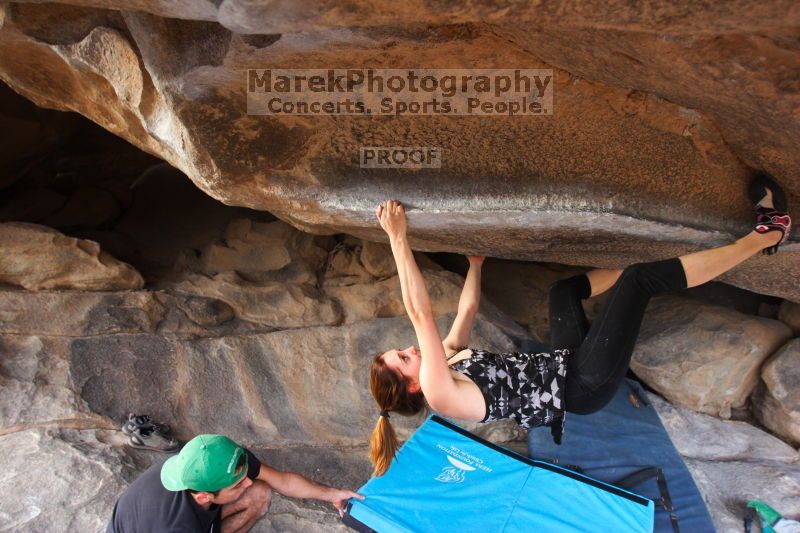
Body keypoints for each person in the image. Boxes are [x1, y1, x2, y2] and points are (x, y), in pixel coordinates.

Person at [368, 174, 792, 476]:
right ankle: (766, 235)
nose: (412, 351)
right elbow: (420, 312)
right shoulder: (441, 394)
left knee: (563, 292)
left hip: (563, 364)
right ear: (410, 385)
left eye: (403, 350)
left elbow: (466, 311)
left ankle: (643, 266)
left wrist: (475, 264)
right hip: (581, 386)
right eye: (404, 359)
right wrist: (397, 238)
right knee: (640, 283)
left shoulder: (444, 358)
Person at [107, 434, 363, 533]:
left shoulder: (217, 460)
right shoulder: (175, 526)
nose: (248, 482)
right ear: (204, 497)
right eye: (236, 486)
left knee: (260, 493)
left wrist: (331, 494)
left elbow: (282, 480)